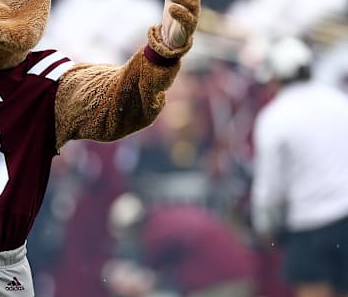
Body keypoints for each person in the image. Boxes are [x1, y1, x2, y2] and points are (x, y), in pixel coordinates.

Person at [251, 36, 348, 297]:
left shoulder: (274, 117)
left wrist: (265, 228)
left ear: (274, 78)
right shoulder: (338, 100)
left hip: (308, 225)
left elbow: (268, 187)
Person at [107, 193, 256, 297]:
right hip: (239, 275)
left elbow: (149, 278)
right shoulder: (164, 219)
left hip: (223, 284)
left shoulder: (157, 235)